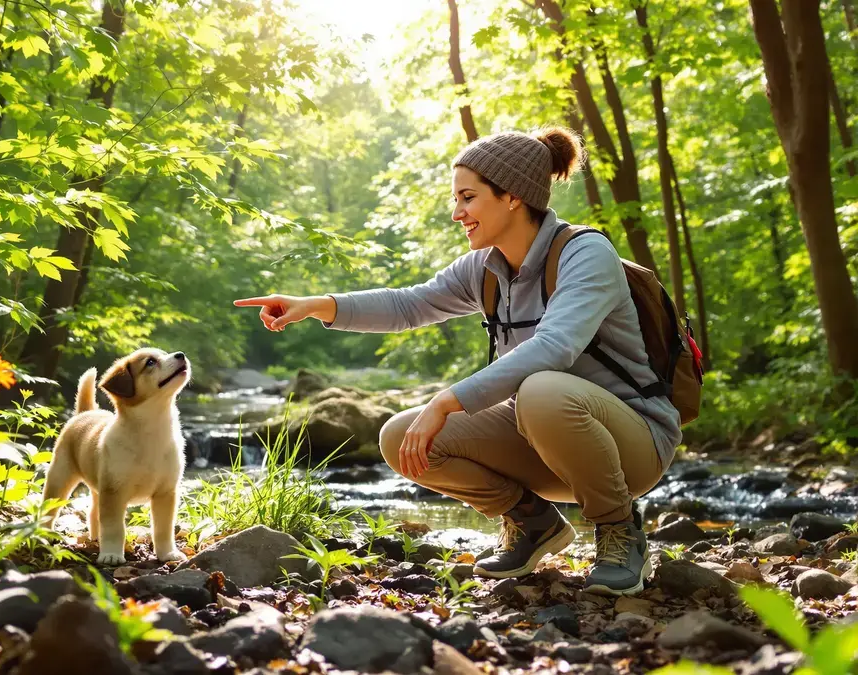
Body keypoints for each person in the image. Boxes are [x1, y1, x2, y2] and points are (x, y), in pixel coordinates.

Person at [233, 127, 681, 597]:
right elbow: (409, 304)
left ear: (511, 197)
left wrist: (447, 401)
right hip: (542, 438)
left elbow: (555, 347)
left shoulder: (585, 253)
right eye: (456, 198)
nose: (456, 213)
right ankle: (534, 524)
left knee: (541, 388)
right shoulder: (484, 267)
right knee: (401, 437)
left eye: (468, 197)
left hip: (633, 443)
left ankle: (619, 530)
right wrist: (315, 305)